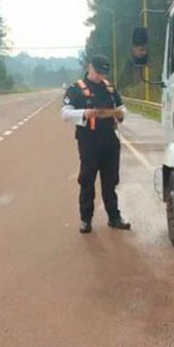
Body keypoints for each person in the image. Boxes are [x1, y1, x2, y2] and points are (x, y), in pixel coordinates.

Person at [61, 54, 131, 234]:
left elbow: (122, 107)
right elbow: (65, 113)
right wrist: (84, 113)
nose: (101, 76)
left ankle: (114, 217)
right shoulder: (76, 89)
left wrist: (120, 114)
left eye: (103, 73)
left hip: (110, 140)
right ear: (90, 67)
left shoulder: (110, 88)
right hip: (89, 141)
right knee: (87, 180)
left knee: (110, 181)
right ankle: (86, 219)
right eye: (98, 72)